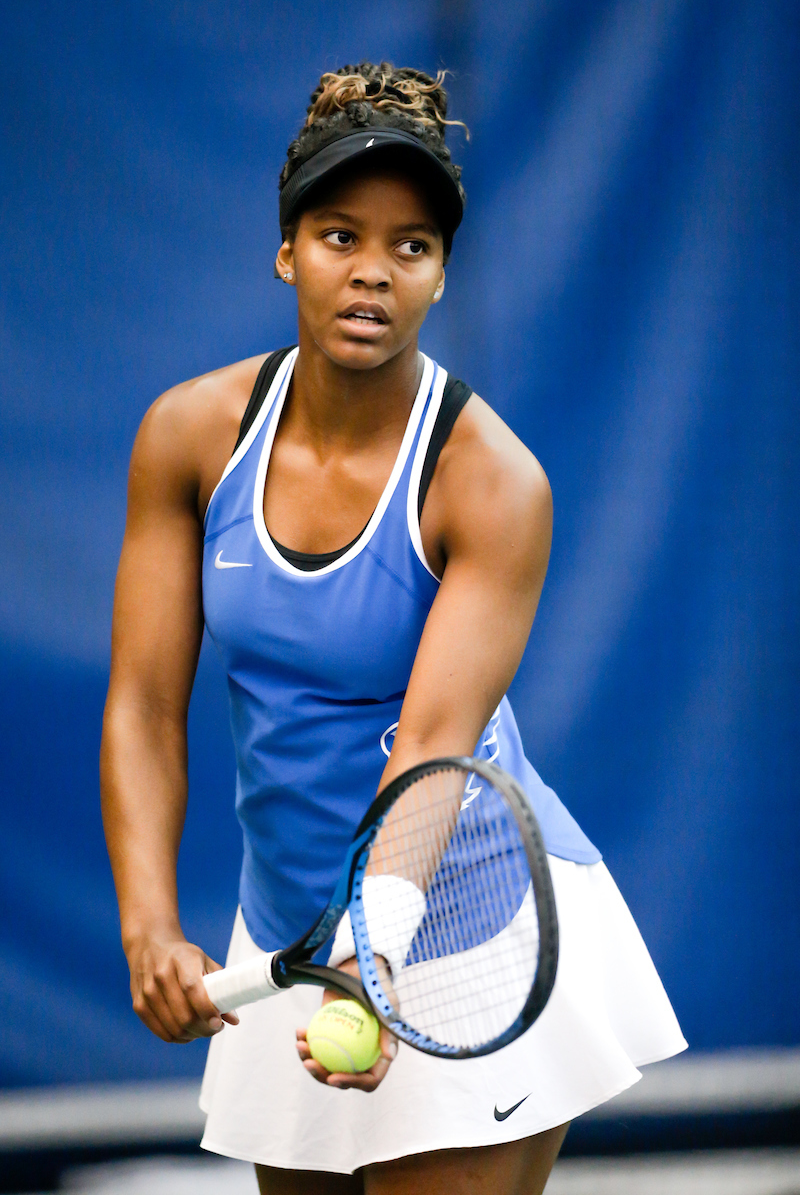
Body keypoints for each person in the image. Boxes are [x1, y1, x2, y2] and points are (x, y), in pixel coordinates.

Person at [101, 62, 686, 1195]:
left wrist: (372, 954)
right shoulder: (188, 436)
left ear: (439, 274)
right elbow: (143, 705)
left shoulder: (492, 480)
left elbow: (430, 746)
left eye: (410, 246)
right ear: (287, 252)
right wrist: (149, 925)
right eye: (338, 237)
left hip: (461, 920)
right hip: (286, 921)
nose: (372, 269)